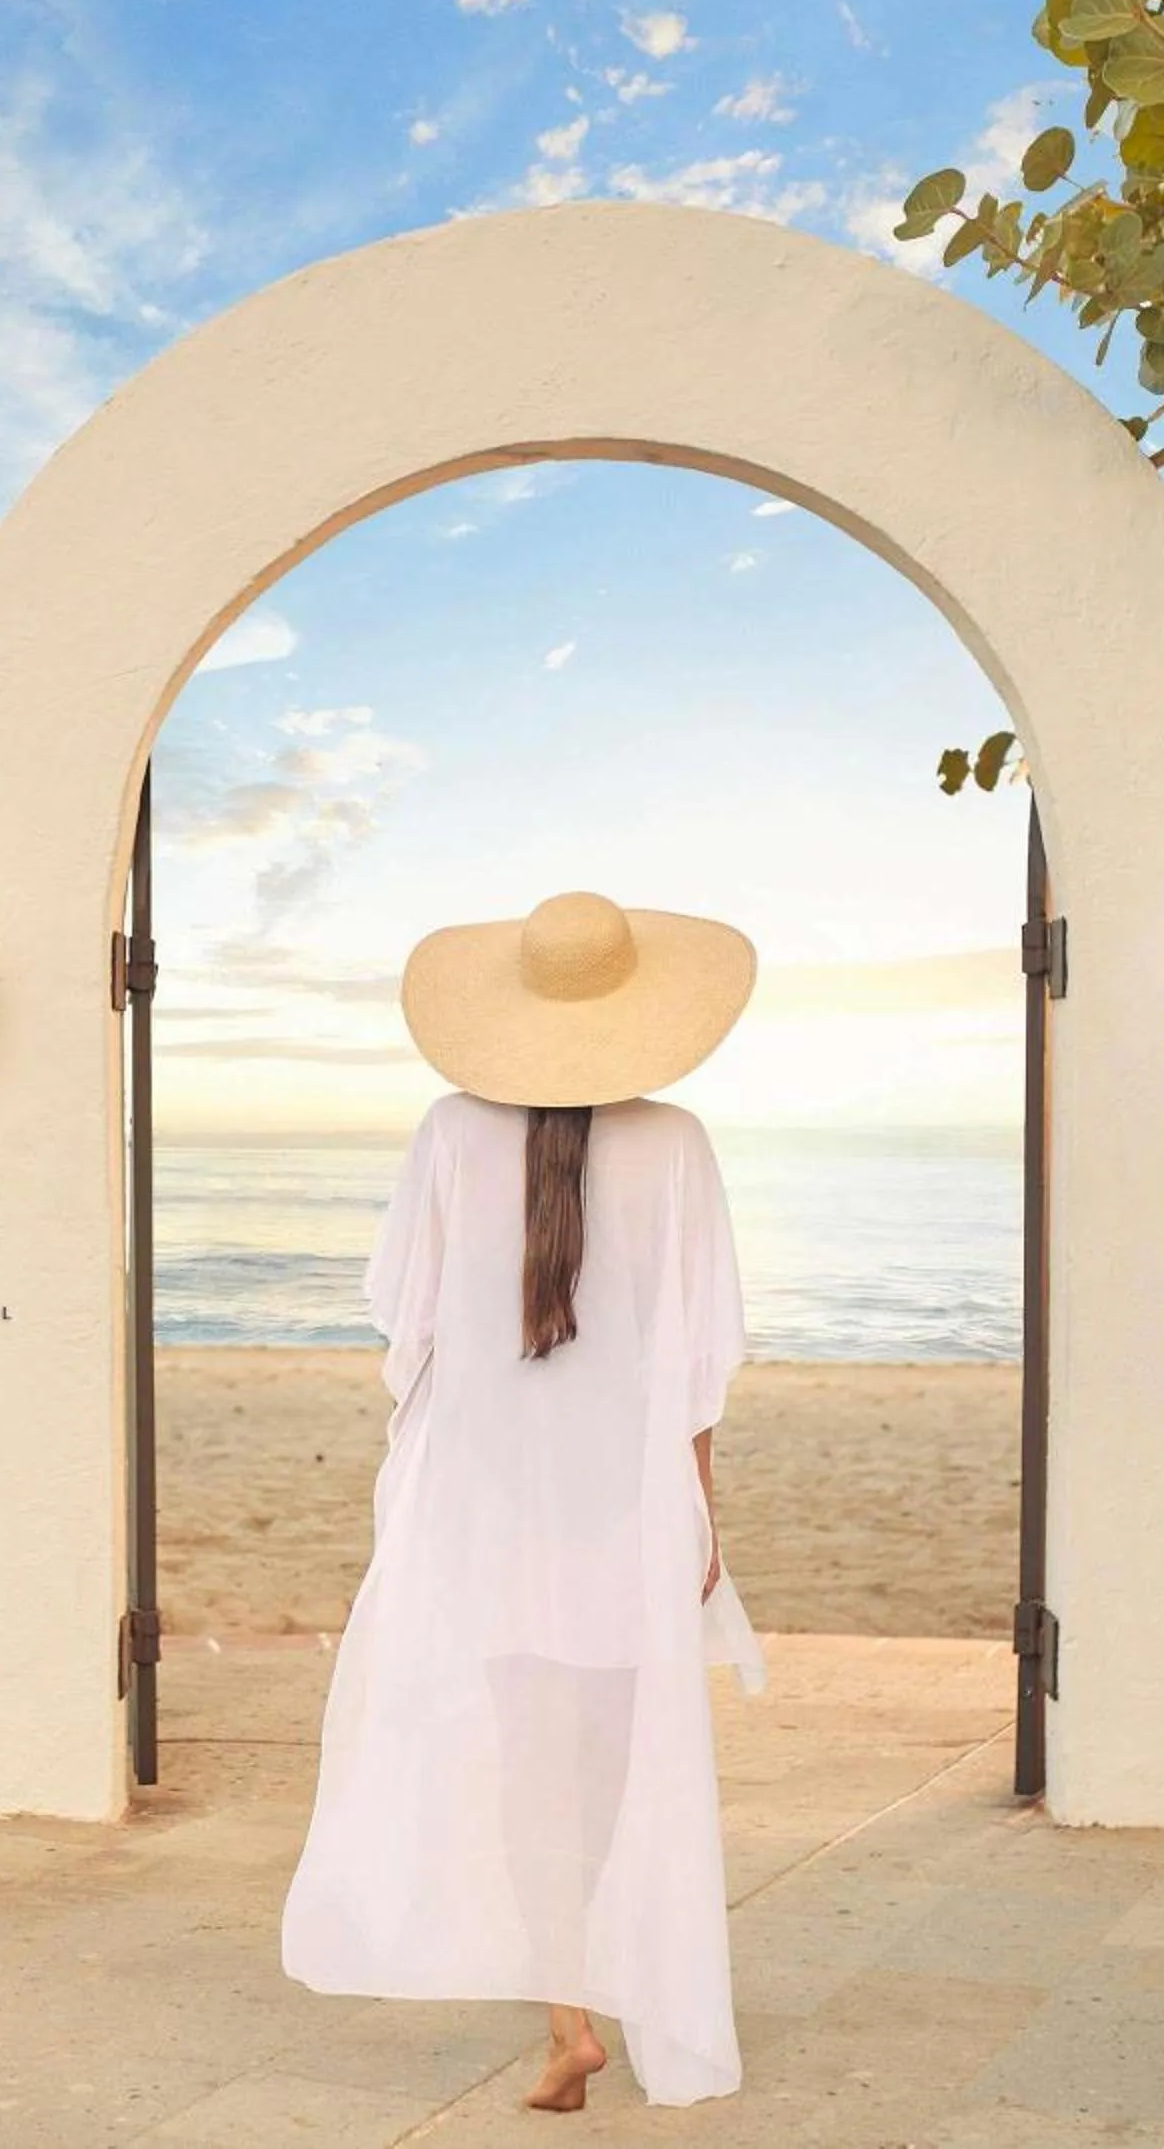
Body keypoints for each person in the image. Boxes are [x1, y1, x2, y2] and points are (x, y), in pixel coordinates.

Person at [279, 890, 768, 2112]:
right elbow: (698, 1365)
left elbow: (410, 1333)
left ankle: (570, 2020)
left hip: (488, 1500)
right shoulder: (676, 1143)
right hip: (625, 1499)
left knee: (523, 1761)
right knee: (612, 1765)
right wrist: (702, 1513)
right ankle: (600, 1993)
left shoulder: (451, 1132)